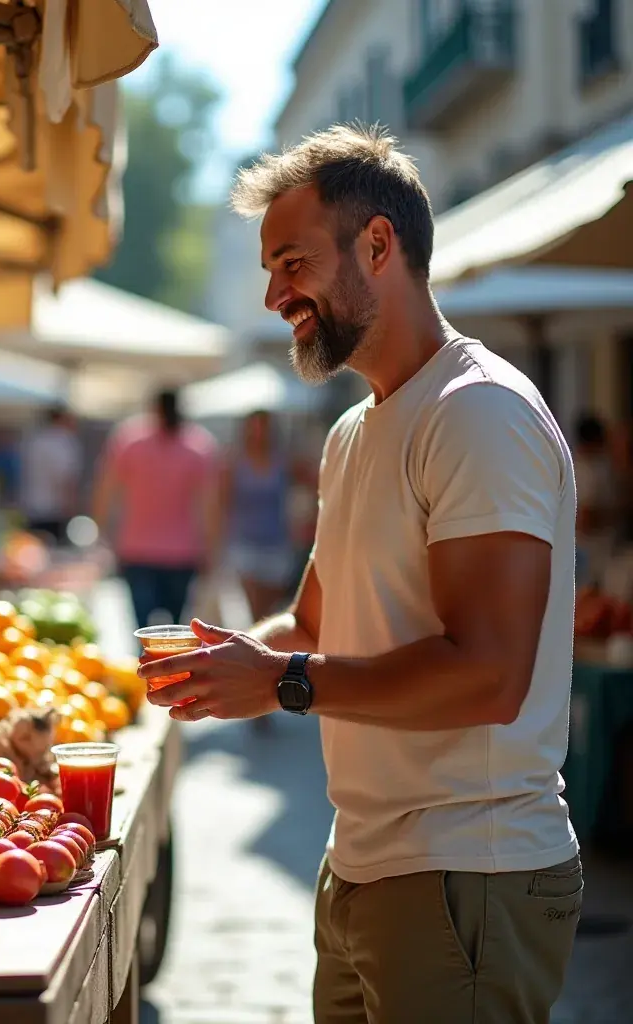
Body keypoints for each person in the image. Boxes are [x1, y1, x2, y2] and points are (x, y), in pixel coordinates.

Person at [139, 125, 581, 1024]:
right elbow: (308, 627)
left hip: (468, 873)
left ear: (378, 245)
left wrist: (281, 685)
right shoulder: (354, 433)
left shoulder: (479, 414)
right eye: (270, 269)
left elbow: (490, 676)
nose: (273, 296)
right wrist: (211, 663)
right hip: (366, 866)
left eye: (292, 263)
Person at [93, 389, 220, 629]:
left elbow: (106, 489)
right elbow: (209, 505)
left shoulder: (129, 438)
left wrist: (102, 533)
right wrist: (211, 549)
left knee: (142, 630)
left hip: (137, 548)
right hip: (183, 552)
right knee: (174, 632)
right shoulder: (199, 445)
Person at [220, 409, 294, 621]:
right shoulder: (234, 462)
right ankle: (257, 647)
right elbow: (222, 503)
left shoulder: (283, 461)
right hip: (244, 541)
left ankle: (263, 647)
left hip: (277, 541)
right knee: (253, 605)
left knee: (271, 608)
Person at [20, 406, 82, 542]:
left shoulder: (34, 440)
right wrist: (71, 508)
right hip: (55, 511)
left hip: (32, 508)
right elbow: (65, 478)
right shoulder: (63, 441)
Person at [572, 412, 614, 587]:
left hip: (597, 553)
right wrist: (616, 514)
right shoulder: (585, 472)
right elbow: (585, 518)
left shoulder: (600, 467)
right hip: (591, 555)